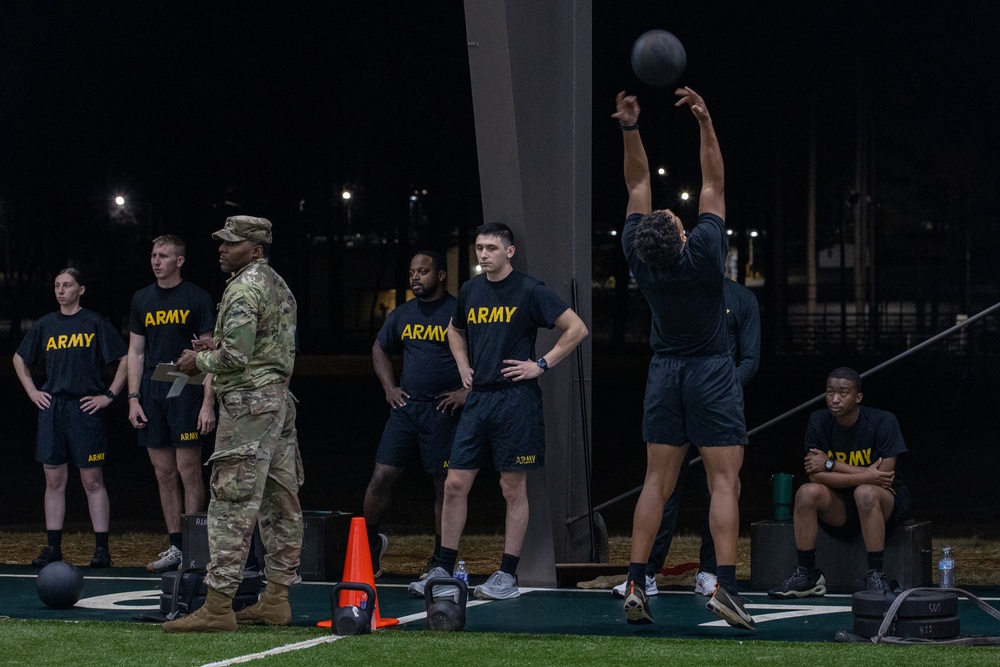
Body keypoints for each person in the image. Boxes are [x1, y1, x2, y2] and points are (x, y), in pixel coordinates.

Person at [614, 87, 754, 630]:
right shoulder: (704, 255)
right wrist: (705, 120)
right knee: (725, 484)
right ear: (680, 237)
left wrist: (630, 128)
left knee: (656, 483)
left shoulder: (639, 256)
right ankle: (727, 587)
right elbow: (714, 179)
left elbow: (636, 182)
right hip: (712, 373)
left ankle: (634, 582)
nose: (674, 212)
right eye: (675, 217)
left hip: (664, 374)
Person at [407, 222, 588, 601]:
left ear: (509, 252)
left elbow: (576, 329)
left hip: (515, 401)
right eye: (479, 248)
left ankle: (506, 575)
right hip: (479, 399)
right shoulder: (471, 290)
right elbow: (455, 331)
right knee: (455, 484)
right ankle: (442, 567)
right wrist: (462, 365)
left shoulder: (529, 289)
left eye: (491, 248)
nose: (483, 254)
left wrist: (541, 363)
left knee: (511, 487)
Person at [165, 215, 302, 633]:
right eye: (222, 242)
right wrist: (219, 344)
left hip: (248, 406)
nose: (222, 249)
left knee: (231, 501)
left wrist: (198, 359)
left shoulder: (243, 288)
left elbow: (236, 360)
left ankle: (218, 607)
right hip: (279, 401)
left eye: (231, 243)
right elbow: (263, 345)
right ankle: (277, 600)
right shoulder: (277, 283)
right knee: (281, 501)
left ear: (256, 249)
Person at [612, 278, 760, 600]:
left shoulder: (661, 281)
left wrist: (727, 387)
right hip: (698, 378)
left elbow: (750, 357)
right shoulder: (668, 283)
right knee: (697, 483)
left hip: (683, 378)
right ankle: (648, 576)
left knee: (697, 484)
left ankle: (706, 574)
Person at [12, 268, 128, 569]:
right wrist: (32, 392)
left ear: (81, 289)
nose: (61, 290)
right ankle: (53, 548)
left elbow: (125, 358)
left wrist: (110, 395)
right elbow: (19, 358)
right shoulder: (46, 324)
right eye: (57, 285)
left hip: (84, 408)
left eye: (67, 285)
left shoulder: (94, 323)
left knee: (92, 480)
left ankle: (101, 550)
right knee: (54, 480)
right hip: (52, 409)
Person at [364, 251, 468, 578]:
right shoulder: (403, 314)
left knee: (443, 486)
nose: (415, 278)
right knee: (381, 477)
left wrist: (467, 392)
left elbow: (486, 352)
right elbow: (379, 349)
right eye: (412, 272)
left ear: (440, 275)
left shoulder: (457, 312)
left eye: (423, 271)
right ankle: (368, 547)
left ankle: (441, 559)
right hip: (406, 410)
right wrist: (389, 388)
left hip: (442, 411)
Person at [768, 367, 911, 598]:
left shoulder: (883, 421)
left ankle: (875, 574)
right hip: (841, 506)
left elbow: (884, 477)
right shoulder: (819, 420)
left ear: (858, 397)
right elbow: (816, 475)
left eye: (843, 393)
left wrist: (831, 464)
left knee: (865, 493)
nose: (835, 399)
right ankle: (806, 574)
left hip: (884, 503)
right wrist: (864, 474)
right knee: (806, 492)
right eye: (830, 392)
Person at [126, 235, 217, 573]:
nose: (156, 261)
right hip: (152, 390)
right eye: (153, 255)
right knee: (164, 473)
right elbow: (135, 352)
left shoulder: (198, 297)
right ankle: (176, 546)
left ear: (179, 260)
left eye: (163, 255)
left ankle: (196, 547)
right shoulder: (142, 298)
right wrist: (133, 398)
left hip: (186, 388)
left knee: (188, 470)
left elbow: (209, 354)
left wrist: (208, 402)